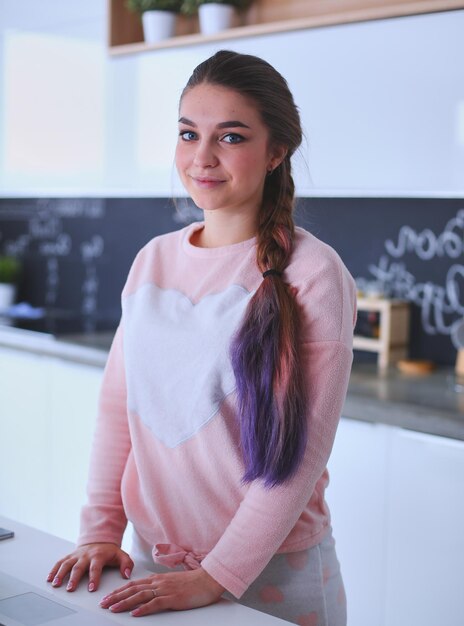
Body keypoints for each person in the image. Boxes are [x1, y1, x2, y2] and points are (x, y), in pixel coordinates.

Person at [47, 50, 356, 626]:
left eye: (231, 137)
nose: (202, 157)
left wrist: (217, 577)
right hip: (151, 564)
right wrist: (100, 532)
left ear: (276, 152)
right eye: (189, 133)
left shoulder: (314, 272)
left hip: (270, 575)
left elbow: (299, 457)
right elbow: (121, 412)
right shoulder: (152, 262)